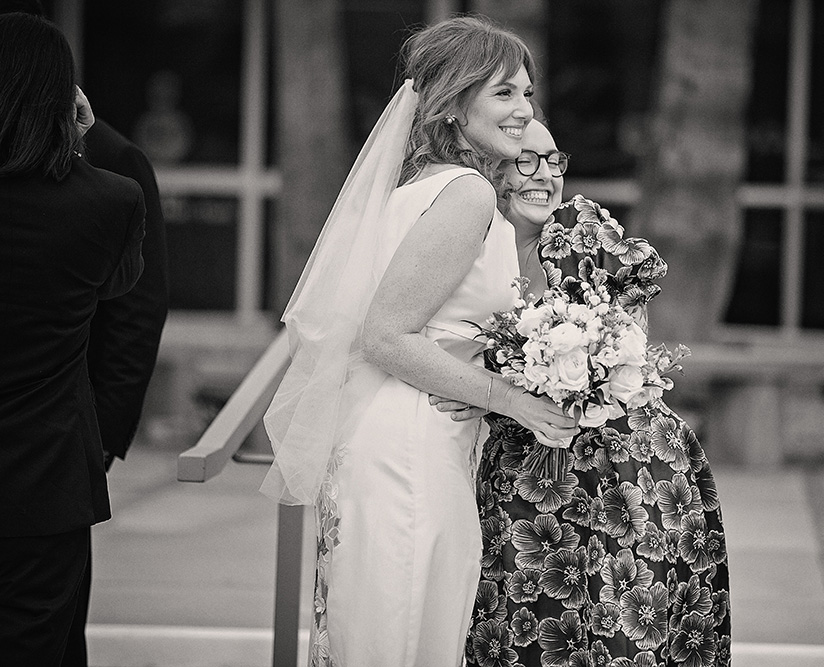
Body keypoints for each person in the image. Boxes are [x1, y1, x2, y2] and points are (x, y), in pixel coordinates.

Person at [260, 16, 578, 667]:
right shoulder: (465, 194)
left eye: (527, 92)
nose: (525, 109)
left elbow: (432, 326)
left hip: (405, 430)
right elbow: (386, 334)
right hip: (410, 445)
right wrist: (511, 399)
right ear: (456, 105)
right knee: (407, 632)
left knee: (391, 629)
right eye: (505, 93)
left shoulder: (422, 186)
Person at [435, 119, 731, 666]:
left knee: (623, 629)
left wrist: (574, 372)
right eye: (525, 160)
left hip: (627, 469)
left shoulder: (578, 228)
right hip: (523, 471)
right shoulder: (469, 249)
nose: (545, 176)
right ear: (487, 167)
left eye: (554, 160)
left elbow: (628, 344)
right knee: (525, 629)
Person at [0, 6, 170, 666]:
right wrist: (87, 140)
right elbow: (121, 288)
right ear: (64, 98)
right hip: (47, 482)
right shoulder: (109, 199)